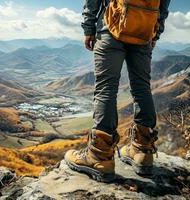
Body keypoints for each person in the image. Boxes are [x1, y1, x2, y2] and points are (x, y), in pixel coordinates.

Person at [64, 0, 171, 182]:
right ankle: (142, 151)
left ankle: (99, 156)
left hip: (110, 27)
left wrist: (89, 28)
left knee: (106, 87)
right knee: (142, 87)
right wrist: (155, 33)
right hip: (144, 30)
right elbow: (164, 4)